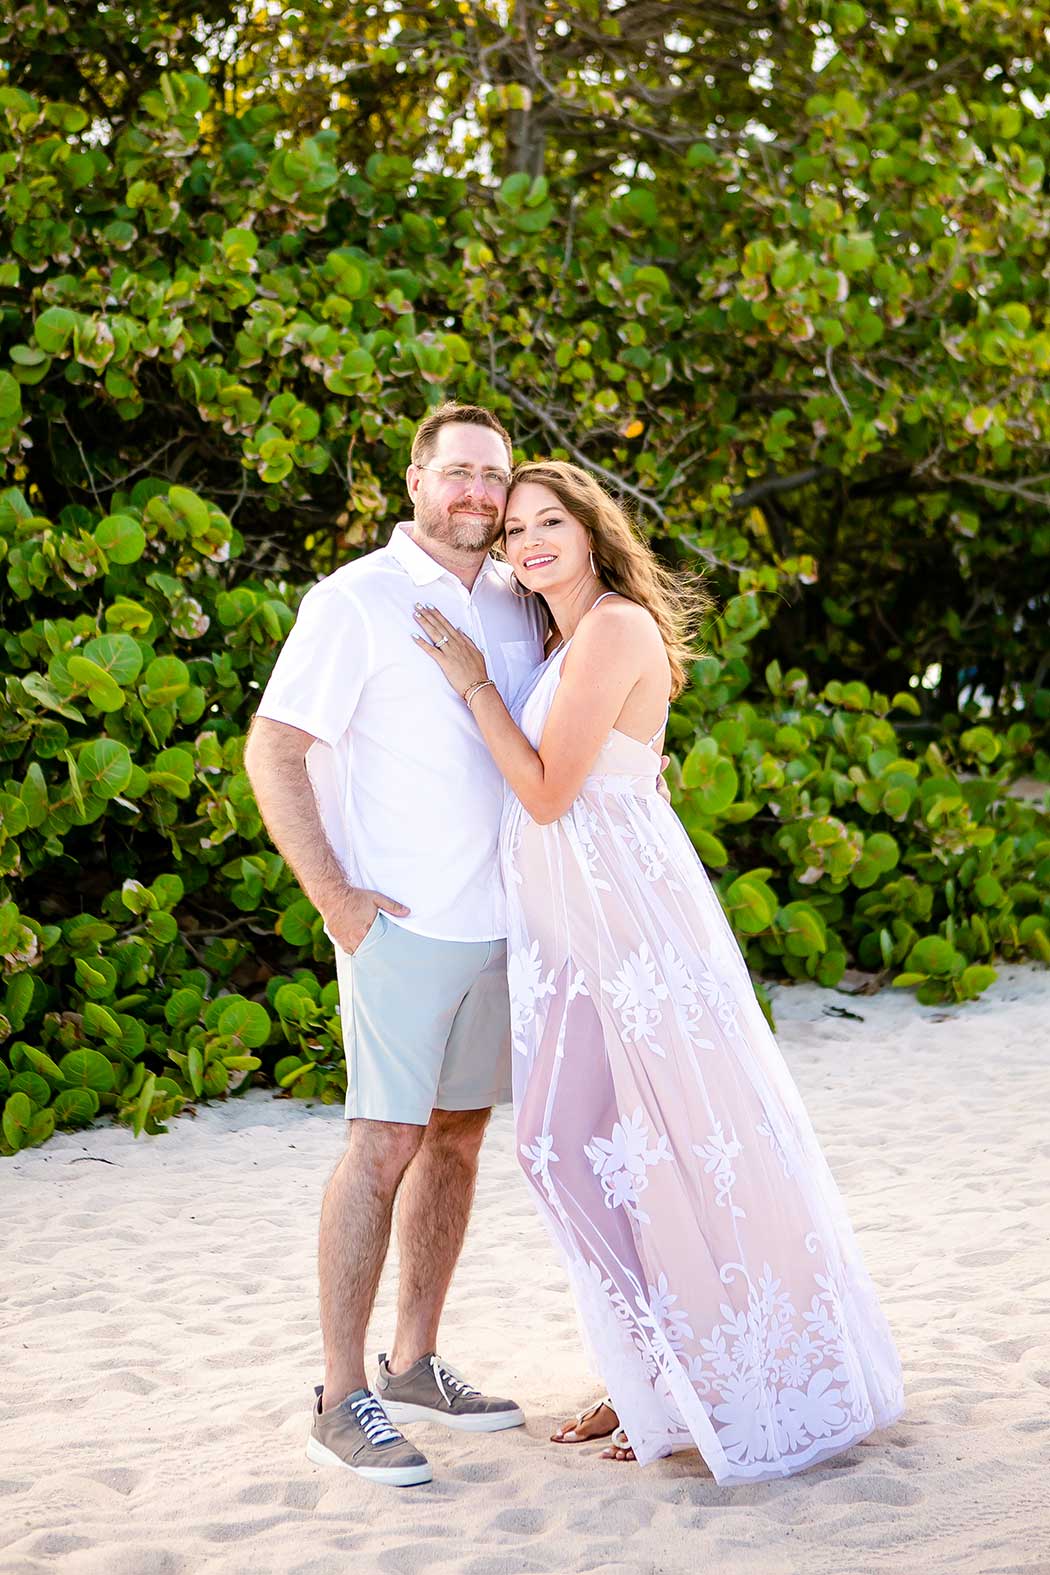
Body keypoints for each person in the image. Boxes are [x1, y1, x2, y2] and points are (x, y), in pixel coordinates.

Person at [412, 459, 906, 1481]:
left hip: (621, 928)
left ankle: (683, 1387)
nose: (531, 541)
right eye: (514, 530)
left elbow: (549, 792)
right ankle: (657, 1381)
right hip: (578, 931)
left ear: (595, 532)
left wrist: (469, 684)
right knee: (587, 1150)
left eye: (552, 520)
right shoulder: (568, 638)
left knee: (613, 1149)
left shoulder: (615, 628)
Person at [245, 402, 546, 1487]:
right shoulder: (356, 601)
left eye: (493, 477)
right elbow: (273, 750)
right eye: (457, 472)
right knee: (381, 1148)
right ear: (415, 480)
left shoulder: (521, 602)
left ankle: (414, 1362)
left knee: (457, 1142)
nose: (476, 493)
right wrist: (337, 902)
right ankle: (340, 1395)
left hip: (502, 928)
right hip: (399, 932)